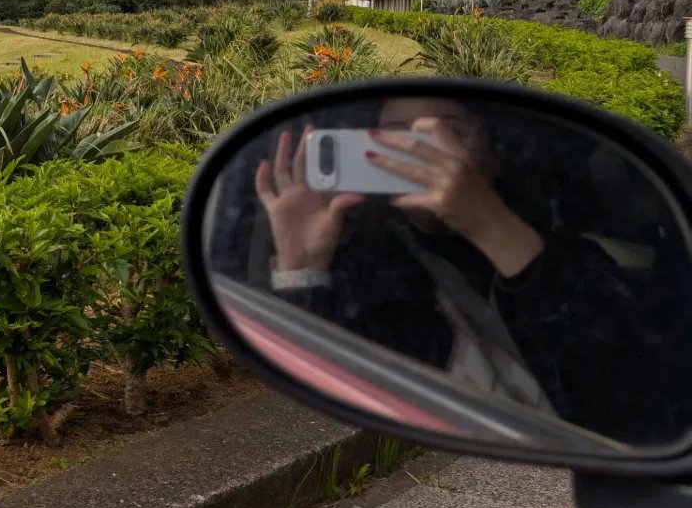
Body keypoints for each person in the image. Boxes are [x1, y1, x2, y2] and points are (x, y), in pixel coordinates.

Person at [237, 95, 692, 446]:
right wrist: (301, 265)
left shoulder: (571, 258)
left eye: (448, 133)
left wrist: (489, 222)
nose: (421, 150)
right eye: (394, 134)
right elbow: (327, 371)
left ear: (492, 158)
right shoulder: (368, 264)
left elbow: (630, 386)